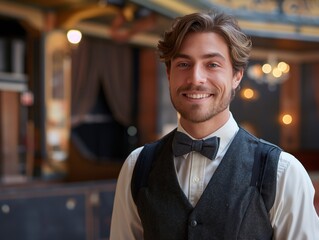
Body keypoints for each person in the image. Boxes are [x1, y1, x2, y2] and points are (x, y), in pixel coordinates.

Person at [110, 10, 319, 239]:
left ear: (237, 76)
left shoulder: (284, 172)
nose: (196, 78)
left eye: (212, 65)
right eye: (183, 64)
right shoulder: (136, 166)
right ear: (169, 73)